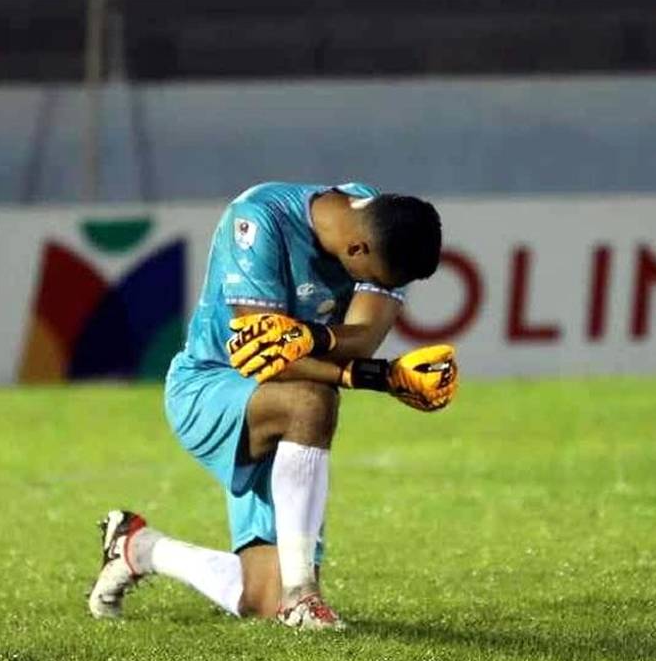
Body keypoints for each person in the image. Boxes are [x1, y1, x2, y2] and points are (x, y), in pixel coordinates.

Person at [87, 181, 458, 630]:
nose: (378, 289)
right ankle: (303, 598)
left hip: (281, 411)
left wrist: (318, 339)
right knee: (312, 401)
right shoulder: (258, 219)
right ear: (358, 249)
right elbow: (263, 358)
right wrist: (378, 376)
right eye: (378, 280)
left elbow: (361, 337)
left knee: (261, 598)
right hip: (211, 386)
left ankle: (138, 547)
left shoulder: (380, 224)